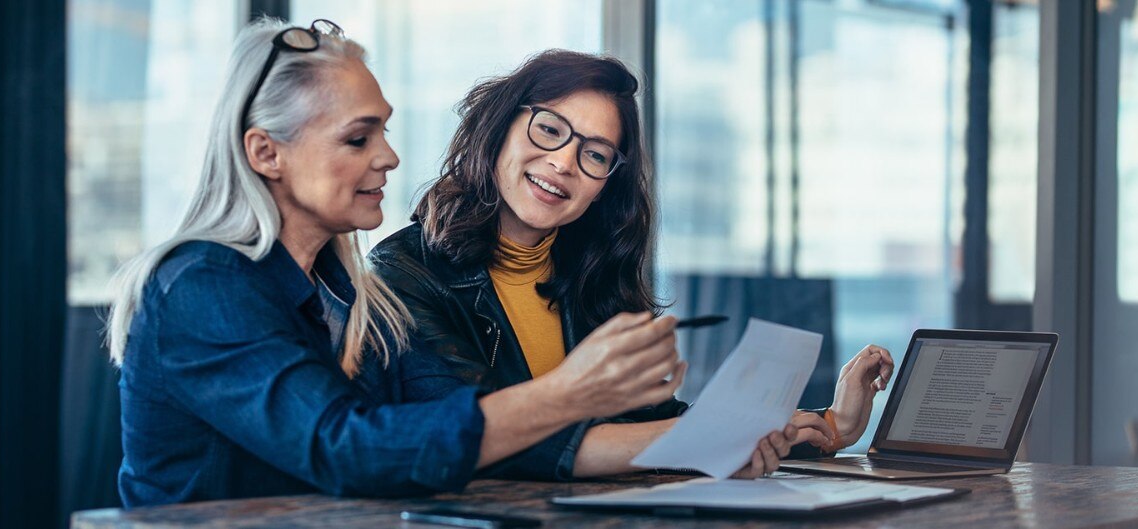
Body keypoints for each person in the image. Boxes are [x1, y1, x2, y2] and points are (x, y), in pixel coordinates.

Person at [107, 19, 804, 508]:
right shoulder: (201, 286)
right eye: (359, 136)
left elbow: (456, 430)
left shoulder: (351, 296)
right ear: (266, 153)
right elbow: (347, 450)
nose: (389, 156)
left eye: (383, 129)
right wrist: (571, 392)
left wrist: (723, 437)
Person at [367, 49, 895, 471]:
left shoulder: (592, 275)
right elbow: (484, 438)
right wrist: (705, 439)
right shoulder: (402, 273)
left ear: (605, 184)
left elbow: (651, 424)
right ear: (499, 127)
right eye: (549, 129)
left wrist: (829, 425)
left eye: (594, 154)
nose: (563, 163)